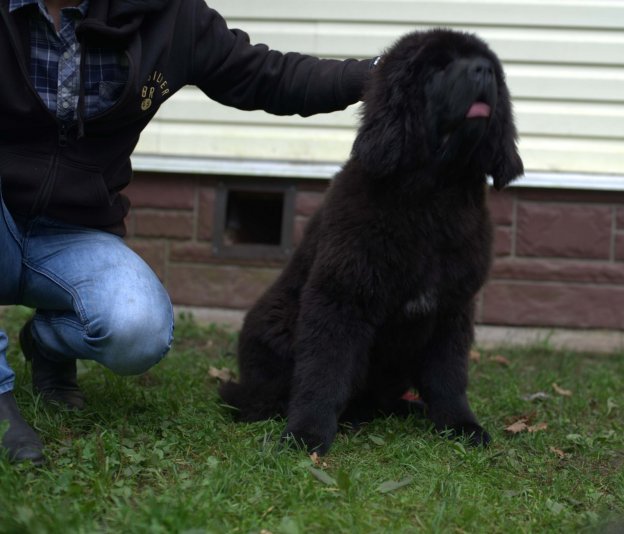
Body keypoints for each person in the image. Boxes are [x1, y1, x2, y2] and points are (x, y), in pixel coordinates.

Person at [0, 0, 378, 465]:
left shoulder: (167, 14)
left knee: (139, 331)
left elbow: (265, 74)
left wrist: (374, 74)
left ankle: (46, 344)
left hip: (73, 231)